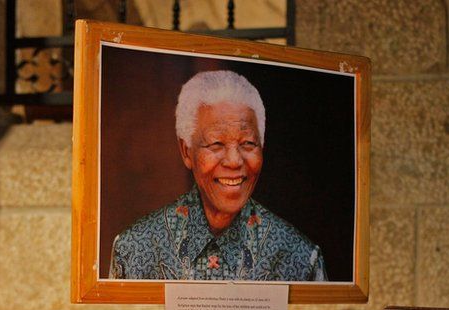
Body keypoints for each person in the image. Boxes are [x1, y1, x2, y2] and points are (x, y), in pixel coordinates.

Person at [109, 70, 327, 281]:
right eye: (216, 144)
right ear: (186, 151)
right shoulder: (136, 249)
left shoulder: (300, 257)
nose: (234, 161)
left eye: (248, 144)